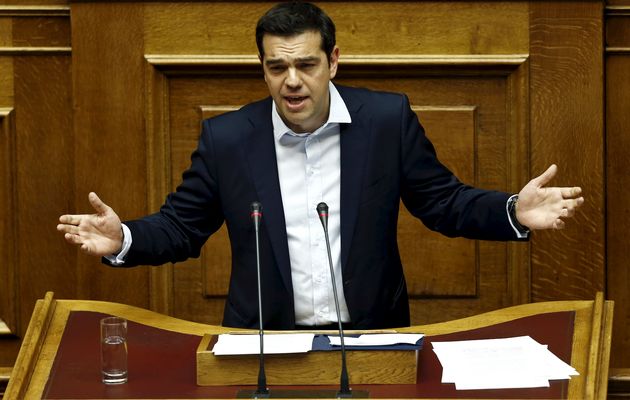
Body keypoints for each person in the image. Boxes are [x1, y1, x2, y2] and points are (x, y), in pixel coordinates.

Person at [57, 1, 583, 330]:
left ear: (332, 61)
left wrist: (514, 210)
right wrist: (122, 237)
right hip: (265, 341)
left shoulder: (385, 120)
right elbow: (182, 227)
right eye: (277, 66)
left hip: (372, 334)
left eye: (306, 64)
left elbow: (443, 203)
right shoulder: (229, 138)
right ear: (262, 69)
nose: (292, 81)